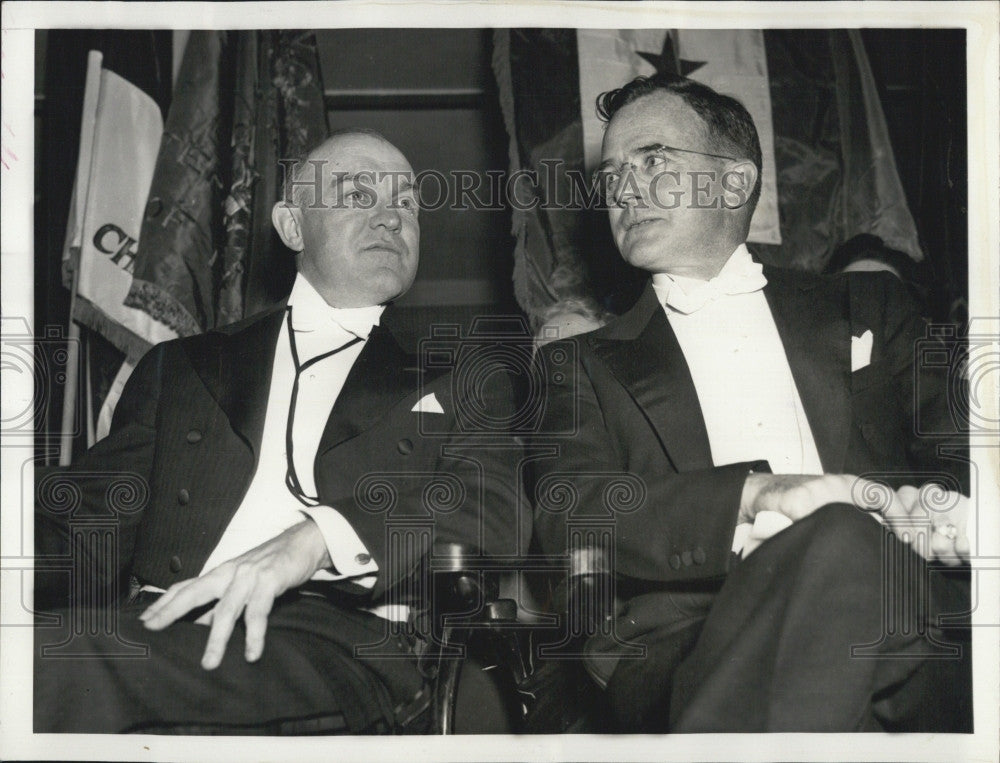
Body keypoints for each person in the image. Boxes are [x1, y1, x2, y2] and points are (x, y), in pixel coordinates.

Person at [34, 130, 521, 734]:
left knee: (55, 661)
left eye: (406, 201)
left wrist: (317, 539)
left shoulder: (461, 379)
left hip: (334, 641)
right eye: (357, 193)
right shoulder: (183, 366)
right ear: (292, 226)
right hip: (158, 624)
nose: (391, 218)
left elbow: (491, 512)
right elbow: (84, 527)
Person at [530, 74, 971, 733]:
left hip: (913, 621)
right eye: (612, 174)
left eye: (652, 159)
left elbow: (964, 457)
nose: (623, 189)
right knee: (841, 537)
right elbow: (573, 513)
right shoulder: (576, 364)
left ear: (735, 184)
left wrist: (946, 516)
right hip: (695, 643)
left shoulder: (872, 308)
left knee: (856, 548)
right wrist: (760, 494)